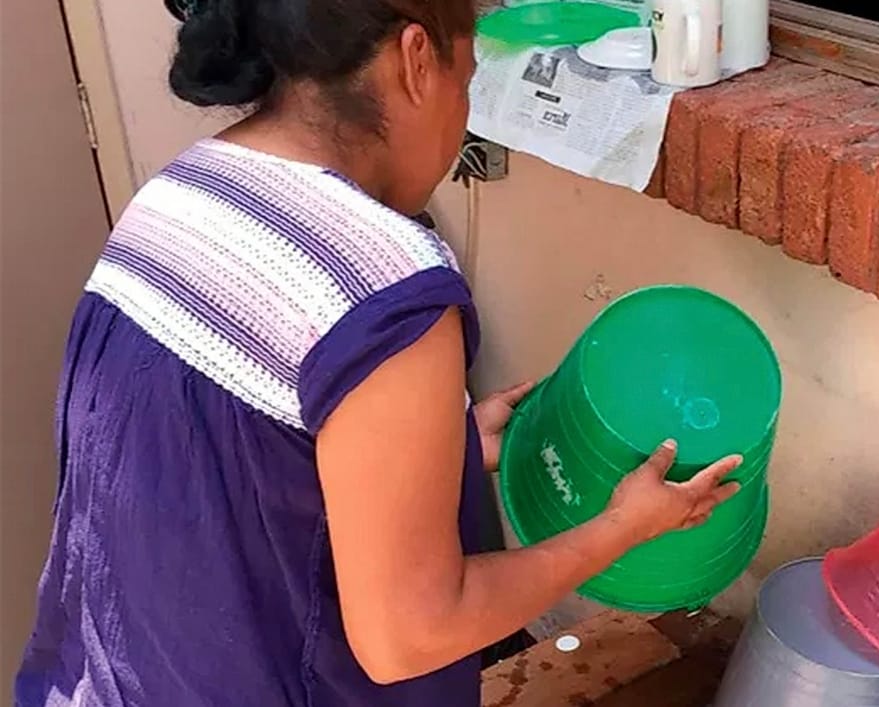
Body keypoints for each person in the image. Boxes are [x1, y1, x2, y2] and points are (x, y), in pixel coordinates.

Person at [15, 1, 743, 705]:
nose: (461, 118)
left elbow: (240, 470)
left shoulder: (179, 193)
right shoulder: (384, 286)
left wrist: (450, 447)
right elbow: (412, 635)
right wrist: (624, 526)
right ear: (416, 59)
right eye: (468, 79)